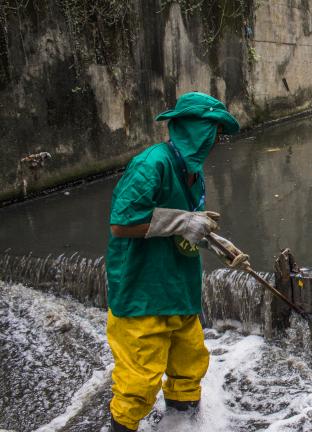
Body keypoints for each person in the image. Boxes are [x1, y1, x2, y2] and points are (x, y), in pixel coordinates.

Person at [105, 92, 250, 432]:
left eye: (216, 130)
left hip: (180, 288)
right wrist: (183, 222)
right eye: (207, 127)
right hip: (142, 293)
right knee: (138, 384)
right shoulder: (151, 165)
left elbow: (190, 225)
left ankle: (183, 422)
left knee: (189, 366)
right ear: (184, 126)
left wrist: (218, 245)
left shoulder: (193, 173)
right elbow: (121, 223)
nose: (211, 137)